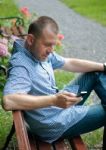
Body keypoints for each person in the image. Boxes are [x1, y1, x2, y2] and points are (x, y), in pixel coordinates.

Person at [2, 16, 106, 143]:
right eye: (47, 45)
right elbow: (8, 101)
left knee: (96, 72)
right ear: (30, 39)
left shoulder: (39, 52)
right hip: (53, 124)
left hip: (58, 106)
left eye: (53, 45)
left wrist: (103, 66)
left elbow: (69, 63)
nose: (51, 51)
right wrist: (53, 100)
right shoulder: (21, 65)